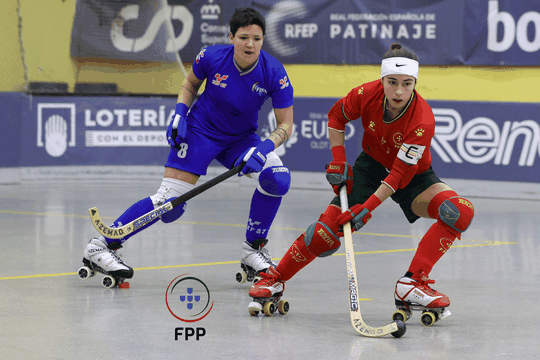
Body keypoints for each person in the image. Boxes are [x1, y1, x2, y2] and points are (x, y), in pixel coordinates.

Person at [249, 43, 474, 318]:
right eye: (392, 82)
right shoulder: (365, 94)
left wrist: (367, 207)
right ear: (383, 80)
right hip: (370, 168)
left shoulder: (423, 119)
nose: (399, 91)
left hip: (413, 177)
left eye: (407, 83)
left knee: (458, 212)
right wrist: (339, 159)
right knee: (323, 233)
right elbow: (335, 117)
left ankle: (411, 283)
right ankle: (274, 278)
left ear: (415, 82)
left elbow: (399, 175)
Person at [79, 7, 294, 283]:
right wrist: (180, 112)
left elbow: (285, 124)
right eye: (243, 37)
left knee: (277, 178)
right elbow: (190, 85)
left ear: (263, 40)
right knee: (168, 202)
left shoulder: (274, 72)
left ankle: (253, 251)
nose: (250, 44)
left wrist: (264, 148)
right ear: (232, 37)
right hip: (199, 132)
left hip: (241, 139)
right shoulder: (212, 56)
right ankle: (101, 245)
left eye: (256, 38)